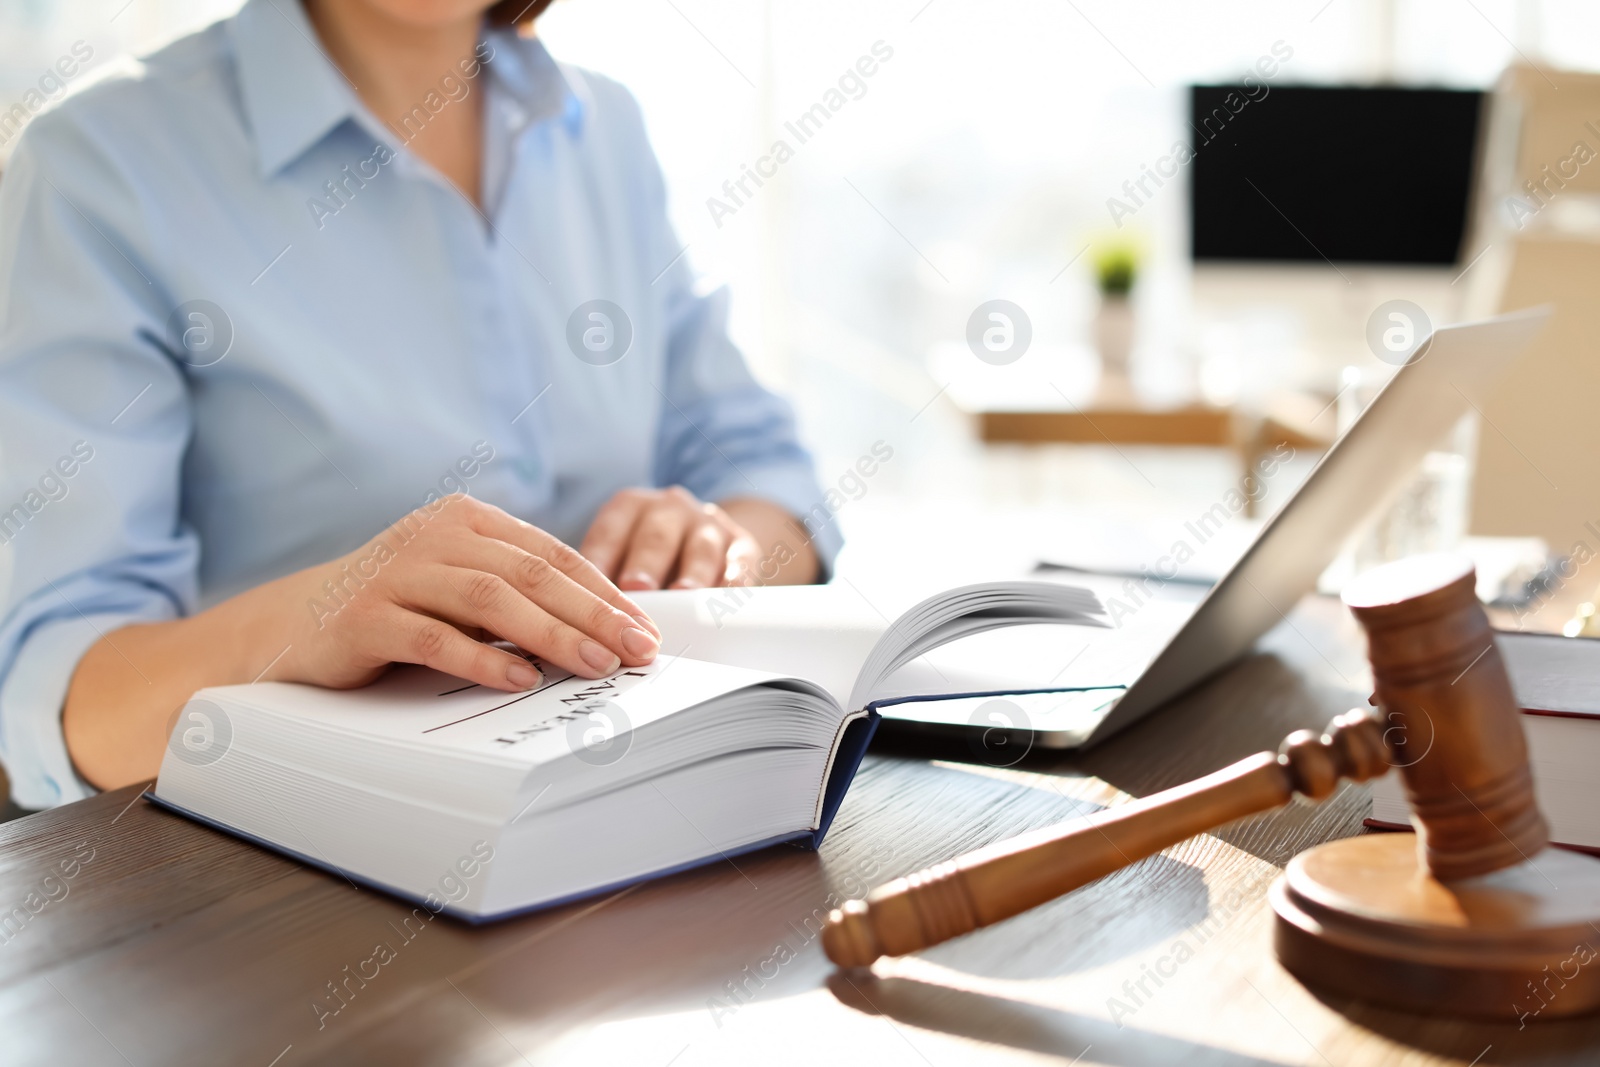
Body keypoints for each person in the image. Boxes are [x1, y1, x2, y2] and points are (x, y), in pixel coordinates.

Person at [0, 0, 838, 809]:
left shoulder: (604, 124)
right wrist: (308, 620)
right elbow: (67, 706)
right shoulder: (100, 164)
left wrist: (710, 556)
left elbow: (768, 475)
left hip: (646, 796)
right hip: (287, 875)